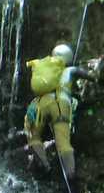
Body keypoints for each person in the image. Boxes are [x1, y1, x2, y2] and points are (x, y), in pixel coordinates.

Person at [24, 42, 93, 181]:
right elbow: (91, 76)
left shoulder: (44, 67)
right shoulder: (71, 70)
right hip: (60, 103)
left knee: (34, 136)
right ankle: (70, 175)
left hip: (39, 104)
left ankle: (44, 165)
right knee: (63, 141)